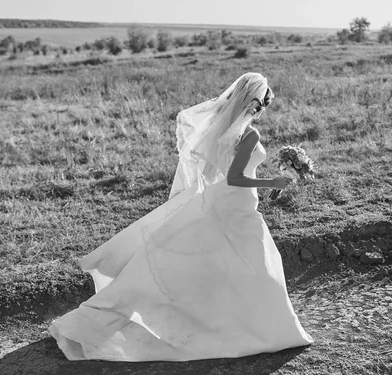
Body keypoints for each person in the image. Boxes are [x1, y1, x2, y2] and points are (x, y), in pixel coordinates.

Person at [48, 72, 314, 361]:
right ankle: (263, 328)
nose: (264, 109)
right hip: (236, 205)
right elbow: (236, 177)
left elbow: (218, 173)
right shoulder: (249, 134)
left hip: (222, 200)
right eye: (265, 103)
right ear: (259, 103)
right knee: (255, 263)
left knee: (228, 262)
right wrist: (271, 183)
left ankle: (228, 319)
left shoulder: (227, 129)